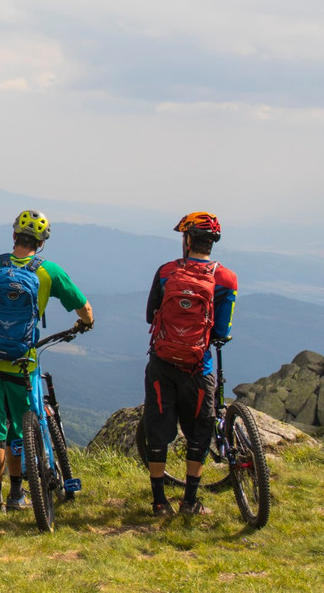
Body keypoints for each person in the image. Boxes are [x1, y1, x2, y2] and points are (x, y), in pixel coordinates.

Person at [0, 210, 94, 514]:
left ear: (14, 237)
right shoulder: (49, 272)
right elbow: (84, 309)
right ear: (41, 243)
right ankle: (17, 495)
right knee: (18, 430)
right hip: (23, 362)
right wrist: (85, 323)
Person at [142, 211, 238, 516]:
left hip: (162, 364)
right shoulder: (226, 279)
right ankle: (190, 501)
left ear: (186, 240)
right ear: (212, 243)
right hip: (199, 368)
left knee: (157, 431)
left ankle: (159, 502)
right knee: (199, 431)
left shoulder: (166, 272)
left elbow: (150, 315)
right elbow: (222, 331)